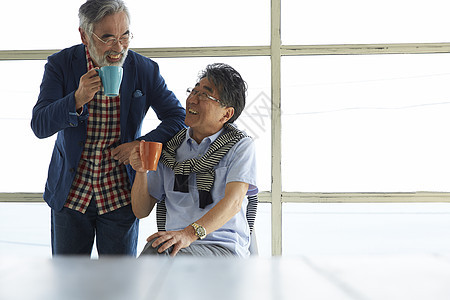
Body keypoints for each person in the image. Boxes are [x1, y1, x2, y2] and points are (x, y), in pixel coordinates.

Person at [30, 0, 186, 257]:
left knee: (119, 287)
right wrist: (76, 99)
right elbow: (40, 125)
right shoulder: (60, 64)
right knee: (68, 286)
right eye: (108, 38)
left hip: (120, 195)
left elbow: (176, 117)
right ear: (84, 35)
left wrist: (140, 144)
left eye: (125, 35)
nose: (119, 47)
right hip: (71, 196)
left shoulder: (144, 69)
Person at [130, 63, 258, 258]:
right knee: (156, 253)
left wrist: (188, 234)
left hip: (223, 248)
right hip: (176, 245)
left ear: (227, 114)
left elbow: (234, 202)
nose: (193, 99)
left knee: (156, 258)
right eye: (194, 91)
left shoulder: (240, 146)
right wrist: (140, 171)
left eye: (205, 95)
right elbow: (141, 210)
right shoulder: (171, 149)